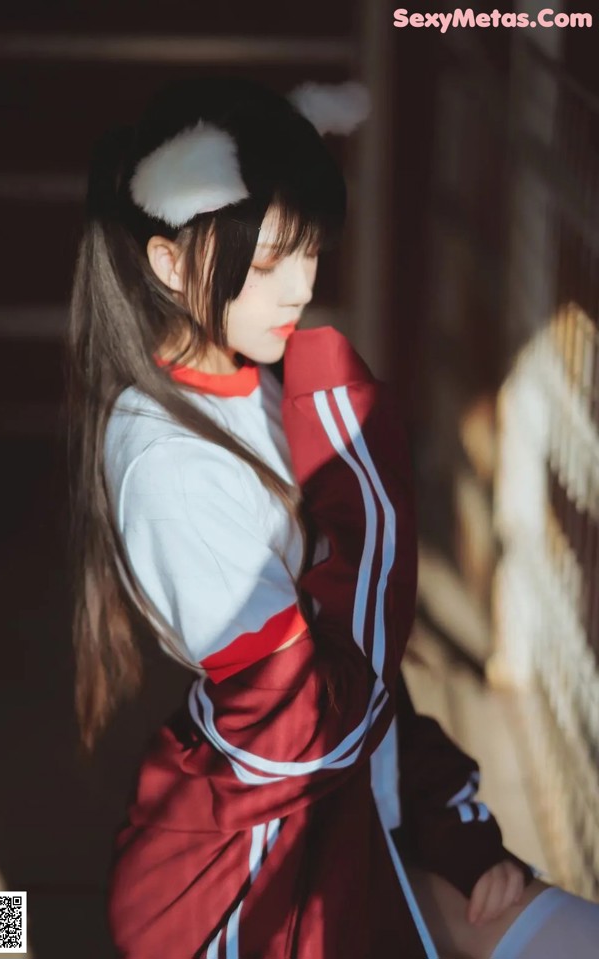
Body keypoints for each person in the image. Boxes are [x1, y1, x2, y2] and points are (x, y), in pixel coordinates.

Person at [67, 75, 599, 958]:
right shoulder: (170, 464)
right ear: (168, 262)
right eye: (269, 260)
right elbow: (299, 725)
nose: (301, 287)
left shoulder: (252, 386)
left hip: (333, 812)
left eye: (311, 251)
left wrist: (449, 820)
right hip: (240, 883)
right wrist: (371, 492)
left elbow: (360, 681)